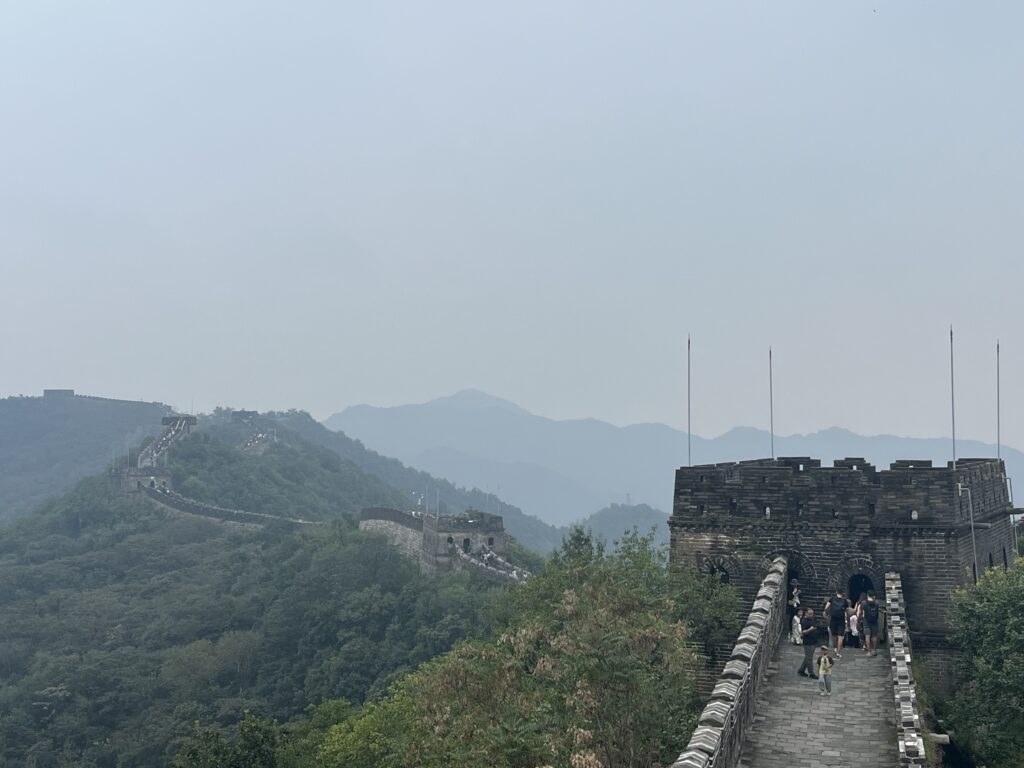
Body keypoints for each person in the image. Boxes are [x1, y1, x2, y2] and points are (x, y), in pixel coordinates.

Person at [825, 589, 850, 658]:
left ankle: (836, 648)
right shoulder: (845, 601)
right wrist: (848, 620)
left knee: (834, 635)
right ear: (842, 593)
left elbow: (826, 608)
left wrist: (827, 614)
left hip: (833, 619)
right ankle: (838, 652)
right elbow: (847, 611)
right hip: (841, 620)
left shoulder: (832, 599)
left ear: (836, 592)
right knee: (840, 636)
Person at [858, 589, 882, 657]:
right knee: (874, 636)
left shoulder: (864, 603)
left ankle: (869, 652)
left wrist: (859, 619)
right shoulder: (877, 603)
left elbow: (860, 612)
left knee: (867, 636)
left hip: (866, 622)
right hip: (874, 622)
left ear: (867, 595)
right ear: (873, 595)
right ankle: (874, 650)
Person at [797, 608, 818, 678]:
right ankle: (811, 673)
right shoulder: (804, 621)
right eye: (809, 614)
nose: (811, 615)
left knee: (808, 657)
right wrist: (810, 629)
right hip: (808, 642)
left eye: (812, 614)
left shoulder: (813, 619)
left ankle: (801, 670)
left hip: (813, 641)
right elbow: (803, 632)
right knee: (809, 658)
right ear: (806, 613)